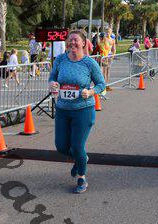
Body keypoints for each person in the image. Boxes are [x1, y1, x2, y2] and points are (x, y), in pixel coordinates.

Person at [48, 30, 106, 194]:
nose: (72, 43)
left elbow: (101, 84)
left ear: (83, 43)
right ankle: (82, 159)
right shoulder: (60, 60)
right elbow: (52, 77)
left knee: (77, 146)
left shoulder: (89, 63)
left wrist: (91, 92)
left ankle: (81, 177)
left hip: (83, 110)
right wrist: (52, 83)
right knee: (61, 146)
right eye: (70, 40)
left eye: (76, 40)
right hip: (62, 109)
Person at [92, 33, 112, 98]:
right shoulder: (107, 44)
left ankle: (102, 89)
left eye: (100, 37)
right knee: (105, 74)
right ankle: (104, 88)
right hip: (106, 59)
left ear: (101, 38)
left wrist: (92, 55)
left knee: (101, 74)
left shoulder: (100, 44)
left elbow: (94, 51)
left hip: (102, 59)